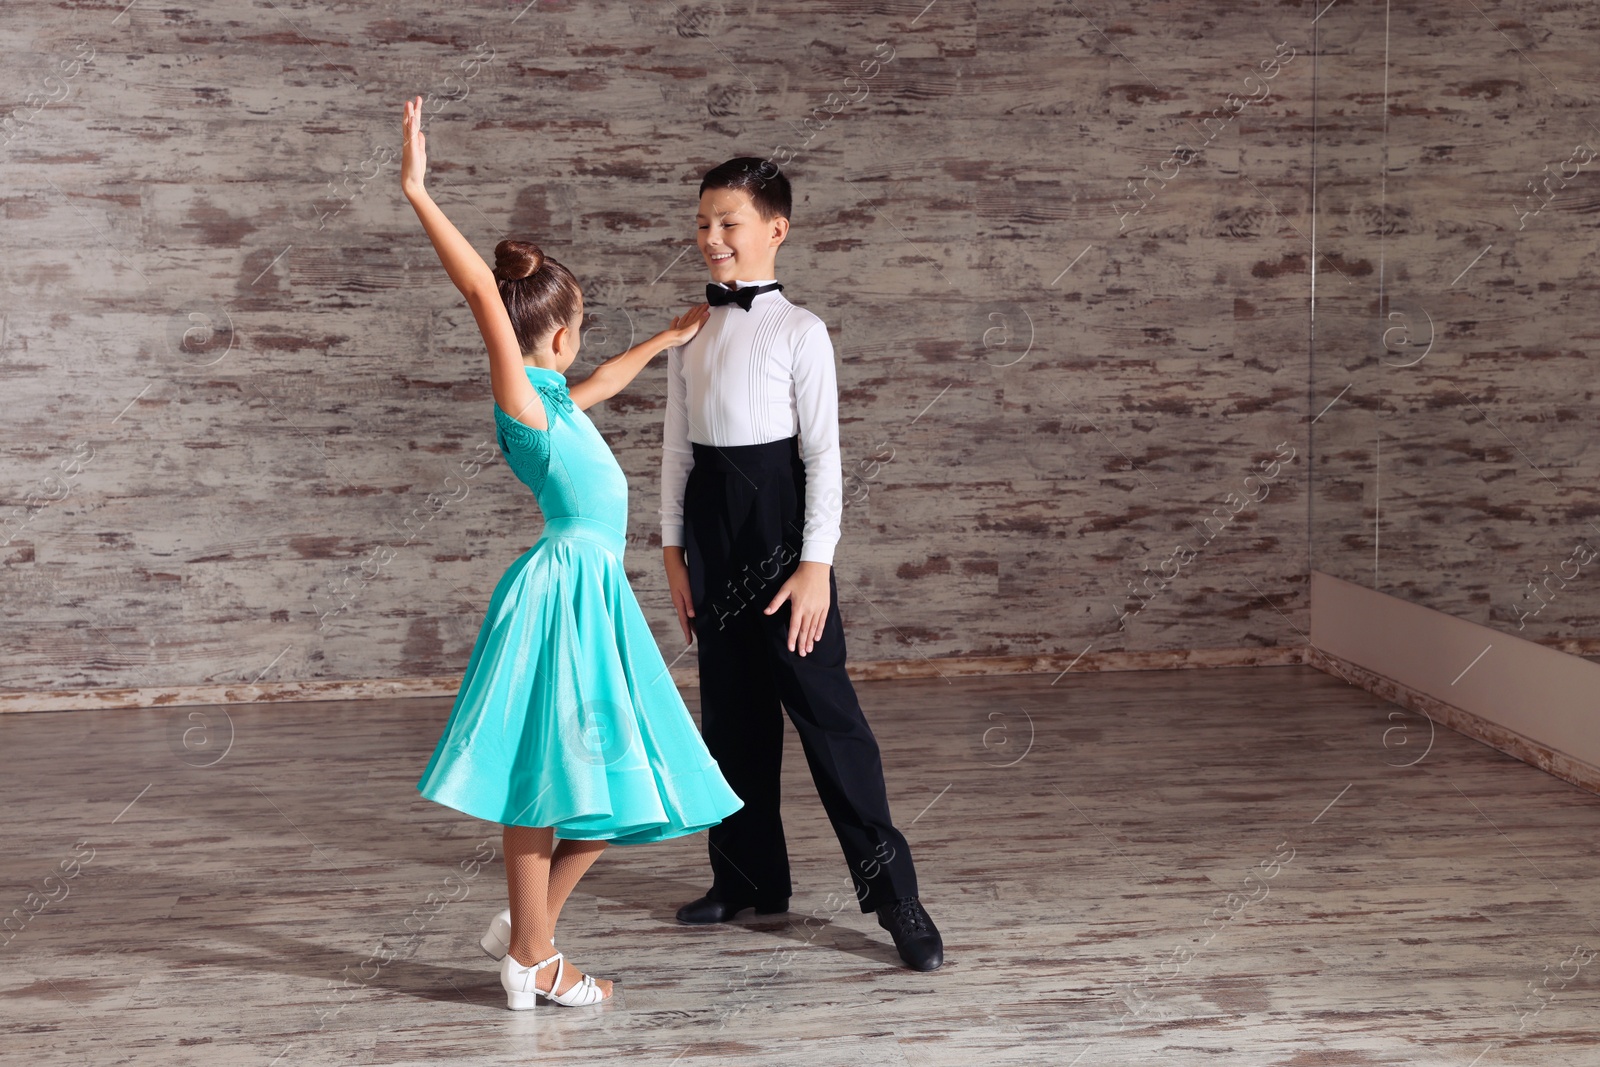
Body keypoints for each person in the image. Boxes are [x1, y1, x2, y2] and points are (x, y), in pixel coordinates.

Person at [398, 96, 742, 1009]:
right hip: (560, 591)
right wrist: (418, 192)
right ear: (550, 332)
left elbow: (599, 382)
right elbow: (480, 293)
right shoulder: (520, 396)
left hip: (596, 595)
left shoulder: (554, 395)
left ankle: (527, 938)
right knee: (548, 774)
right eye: (580, 320)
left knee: (617, 775)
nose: (584, 341)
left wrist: (665, 340)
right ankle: (534, 959)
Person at [658, 157, 943, 971]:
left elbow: (824, 455)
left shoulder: (802, 331)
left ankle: (897, 899)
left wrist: (816, 564)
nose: (711, 238)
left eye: (728, 223)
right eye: (702, 223)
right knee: (731, 718)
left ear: (775, 230)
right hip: (713, 528)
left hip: (782, 529)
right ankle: (747, 879)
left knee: (830, 723)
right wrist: (674, 548)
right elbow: (678, 447)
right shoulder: (692, 328)